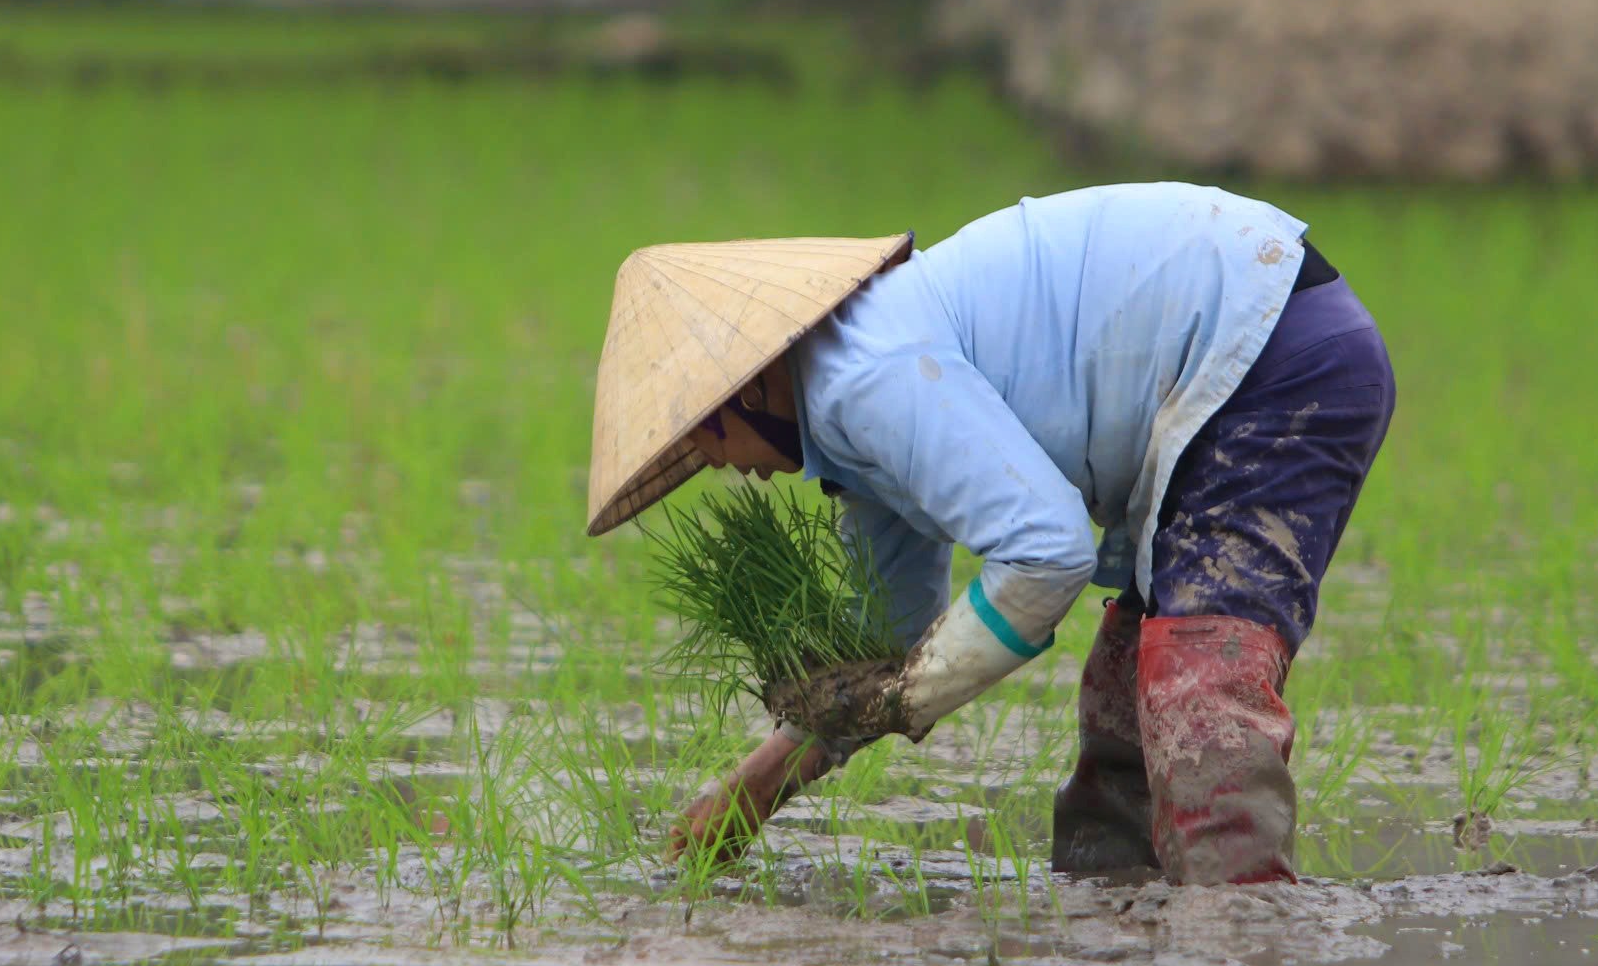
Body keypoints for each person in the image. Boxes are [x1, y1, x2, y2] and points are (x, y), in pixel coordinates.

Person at [585, 183, 1394, 886]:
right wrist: (753, 788)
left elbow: (1047, 556)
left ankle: (1238, 934)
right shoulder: (853, 436)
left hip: (1273, 351)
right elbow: (888, 642)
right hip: (1232, 357)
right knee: (1123, 693)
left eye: (705, 442)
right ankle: (1120, 927)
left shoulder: (863, 377)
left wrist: (914, 698)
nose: (722, 466)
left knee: (1194, 678)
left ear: (749, 386)